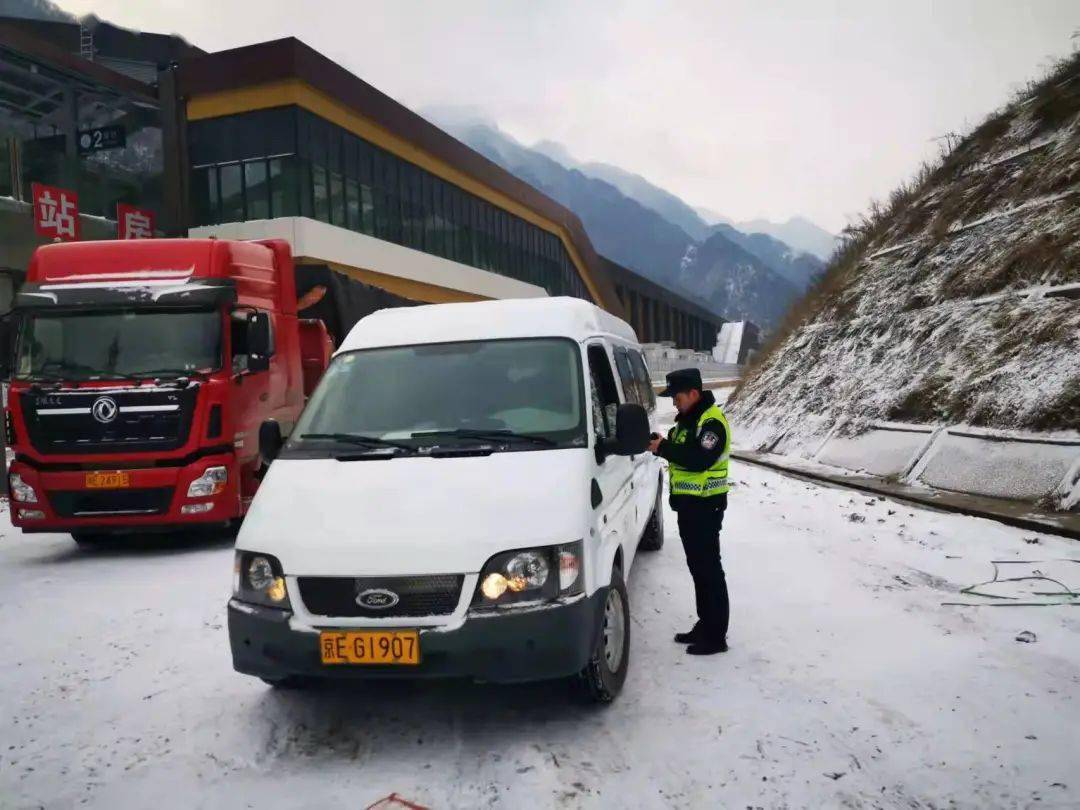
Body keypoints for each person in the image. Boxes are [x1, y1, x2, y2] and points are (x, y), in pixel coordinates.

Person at [647, 368, 731, 655]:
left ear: (694, 394)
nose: (674, 403)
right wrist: (663, 443)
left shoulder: (711, 423)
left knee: (709, 570)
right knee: (698, 569)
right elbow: (681, 451)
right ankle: (705, 624)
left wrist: (664, 449)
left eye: (677, 397)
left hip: (706, 508)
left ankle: (716, 636)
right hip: (690, 508)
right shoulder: (687, 422)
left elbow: (698, 460)